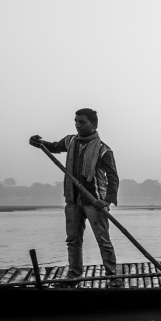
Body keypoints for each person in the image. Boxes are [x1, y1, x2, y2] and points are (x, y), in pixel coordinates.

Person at [29, 108, 121, 287]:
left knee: (103, 240)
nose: (78, 125)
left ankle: (112, 276)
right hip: (73, 199)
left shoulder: (103, 150)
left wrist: (107, 200)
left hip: (95, 201)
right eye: (76, 121)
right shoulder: (70, 141)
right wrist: (40, 143)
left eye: (82, 122)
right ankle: (74, 276)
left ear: (93, 125)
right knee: (73, 240)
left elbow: (113, 177)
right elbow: (54, 147)